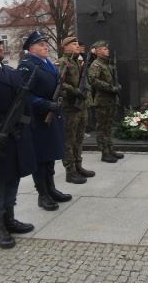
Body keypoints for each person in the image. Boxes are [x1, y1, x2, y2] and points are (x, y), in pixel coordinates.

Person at [0, 29, 36, 249]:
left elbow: (23, 101)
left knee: (13, 180)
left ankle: (10, 219)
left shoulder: (10, 71)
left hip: (15, 135)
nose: (0, 47)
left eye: (0, 43)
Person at [18, 31, 71, 211]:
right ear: (31, 49)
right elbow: (25, 94)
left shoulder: (47, 63)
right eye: (41, 45)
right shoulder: (27, 65)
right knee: (40, 158)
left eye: (45, 44)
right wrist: (45, 104)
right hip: (39, 119)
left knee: (50, 156)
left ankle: (51, 189)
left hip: (52, 117)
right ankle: (42, 194)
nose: (46, 47)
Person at [56, 37, 95, 184]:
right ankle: (70, 171)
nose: (77, 46)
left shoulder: (78, 61)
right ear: (66, 47)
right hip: (70, 107)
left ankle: (79, 166)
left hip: (81, 106)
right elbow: (60, 82)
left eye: (78, 43)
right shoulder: (63, 62)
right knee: (69, 140)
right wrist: (74, 90)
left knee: (79, 139)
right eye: (74, 44)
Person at [88, 40, 124, 163]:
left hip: (111, 100)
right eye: (104, 49)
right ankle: (104, 152)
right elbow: (93, 80)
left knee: (109, 127)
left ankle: (110, 149)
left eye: (107, 48)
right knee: (102, 127)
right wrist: (111, 88)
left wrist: (116, 86)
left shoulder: (108, 65)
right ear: (97, 52)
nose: (107, 50)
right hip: (102, 101)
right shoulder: (96, 64)